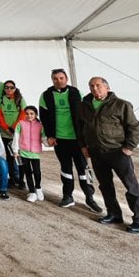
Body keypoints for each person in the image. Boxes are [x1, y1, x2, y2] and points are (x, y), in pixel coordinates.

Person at [80, 77, 139, 234]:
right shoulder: (85, 106)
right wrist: (83, 145)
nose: (95, 88)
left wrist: (128, 148)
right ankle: (114, 214)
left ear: (107, 87)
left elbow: (136, 129)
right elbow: (80, 126)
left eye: (98, 85)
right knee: (105, 185)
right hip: (96, 152)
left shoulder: (121, 105)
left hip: (117, 152)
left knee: (131, 186)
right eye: (92, 86)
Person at [39, 68, 101, 212]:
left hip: (77, 139)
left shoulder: (75, 92)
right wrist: (49, 135)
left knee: (84, 168)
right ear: (52, 80)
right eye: (55, 78)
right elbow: (44, 117)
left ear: (66, 79)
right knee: (65, 168)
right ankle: (68, 196)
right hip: (59, 139)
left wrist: (85, 138)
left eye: (61, 78)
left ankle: (90, 197)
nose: (58, 81)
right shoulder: (46, 95)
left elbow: (83, 115)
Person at [12, 106, 47, 203]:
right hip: (23, 152)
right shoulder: (21, 124)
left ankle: (38, 188)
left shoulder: (40, 125)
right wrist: (15, 150)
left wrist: (49, 143)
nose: (29, 115)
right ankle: (32, 192)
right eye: (27, 113)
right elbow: (16, 136)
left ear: (36, 114)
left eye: (31, 113)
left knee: (37, 172)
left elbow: (44, 137)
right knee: (27, 172)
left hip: (35, 152)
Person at [0, 80, 26, 189]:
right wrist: (6, 128)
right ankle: (12, 179)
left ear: (15, 88)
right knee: (9, 157)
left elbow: (23, 115)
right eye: (7, 87)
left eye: (11, 87)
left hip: (17, 134)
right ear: (4, 89)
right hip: (5, 133)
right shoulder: (0, 100)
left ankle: (21, 180)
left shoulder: (20, 100)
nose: (9, 90)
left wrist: (13, 128)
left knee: (19, 157)